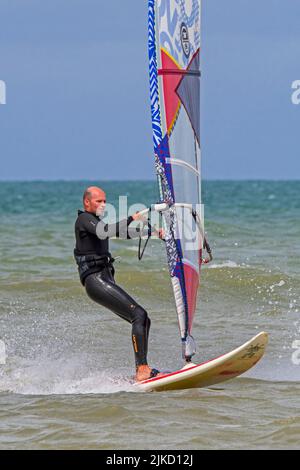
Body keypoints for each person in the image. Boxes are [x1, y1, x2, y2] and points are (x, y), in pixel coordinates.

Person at [74, 186, 163, 382]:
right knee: (139, 315)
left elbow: (119, 233)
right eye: (99, 201)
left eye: (105, 201)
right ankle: (142, 370)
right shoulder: (84, 220)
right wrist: (134, 217)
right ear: (86, 202)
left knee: (143, 319)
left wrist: (153, 232)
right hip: (95, 280)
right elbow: (106, 231)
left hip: (104, 279)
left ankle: (142, 368)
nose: (103, 205)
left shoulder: (95, 222)